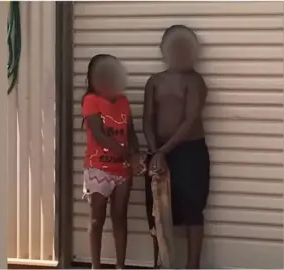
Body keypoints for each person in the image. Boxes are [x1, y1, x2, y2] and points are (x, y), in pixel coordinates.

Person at [143, 25, 210, 269]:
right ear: (163, 51)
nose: (180, 52)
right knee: (157, 211)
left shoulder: (195, 81)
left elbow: (191, 119)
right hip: (158, 152)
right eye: (174, 47)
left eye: (186, 47)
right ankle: (160, 263)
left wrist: (163, 151)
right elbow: (147, 119)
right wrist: (154, 151)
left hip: (190, 152)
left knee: (193, 209)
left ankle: (192, 266)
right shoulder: (154, 82)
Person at [81, 54, 143, 269]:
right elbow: (99, 135)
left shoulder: (124, 101)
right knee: (97, 219)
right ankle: (95, 265)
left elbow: (131, 133)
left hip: (122, 170)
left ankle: (120, 265)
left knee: (120, 217)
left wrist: (136, 154)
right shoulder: (91, 100)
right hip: (99, 168)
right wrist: (127, 153)